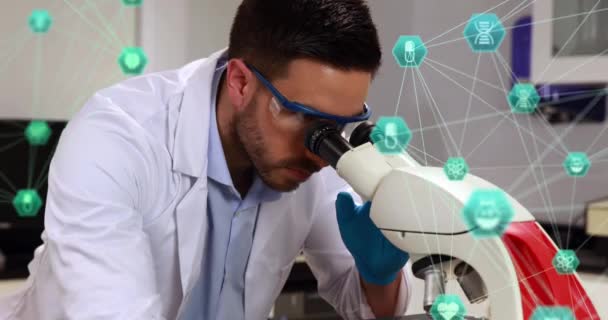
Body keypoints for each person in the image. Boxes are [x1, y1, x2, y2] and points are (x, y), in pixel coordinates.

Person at [0, 0, 412, 319]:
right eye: (304, 118)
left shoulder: (310, 159)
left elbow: (361, 303)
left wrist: (379, 275)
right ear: (240, 82)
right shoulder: (115, 139)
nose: (318, 151)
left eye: (342, 124)